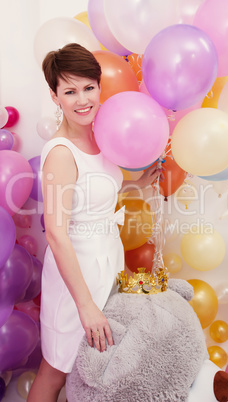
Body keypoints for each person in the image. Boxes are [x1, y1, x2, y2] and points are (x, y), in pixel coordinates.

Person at [27, 43, 163, 402]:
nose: (82, 99)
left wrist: (136, 183)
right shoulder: (60, 153)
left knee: (96, 371)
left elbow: (93, 193)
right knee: (56, 370)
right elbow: (56, 234)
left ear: (99, 87)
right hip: (77, 277)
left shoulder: (101, 135)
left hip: (108, 263)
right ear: (55, 96)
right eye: (69, 91)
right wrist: (85, 306)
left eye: (88, 87)